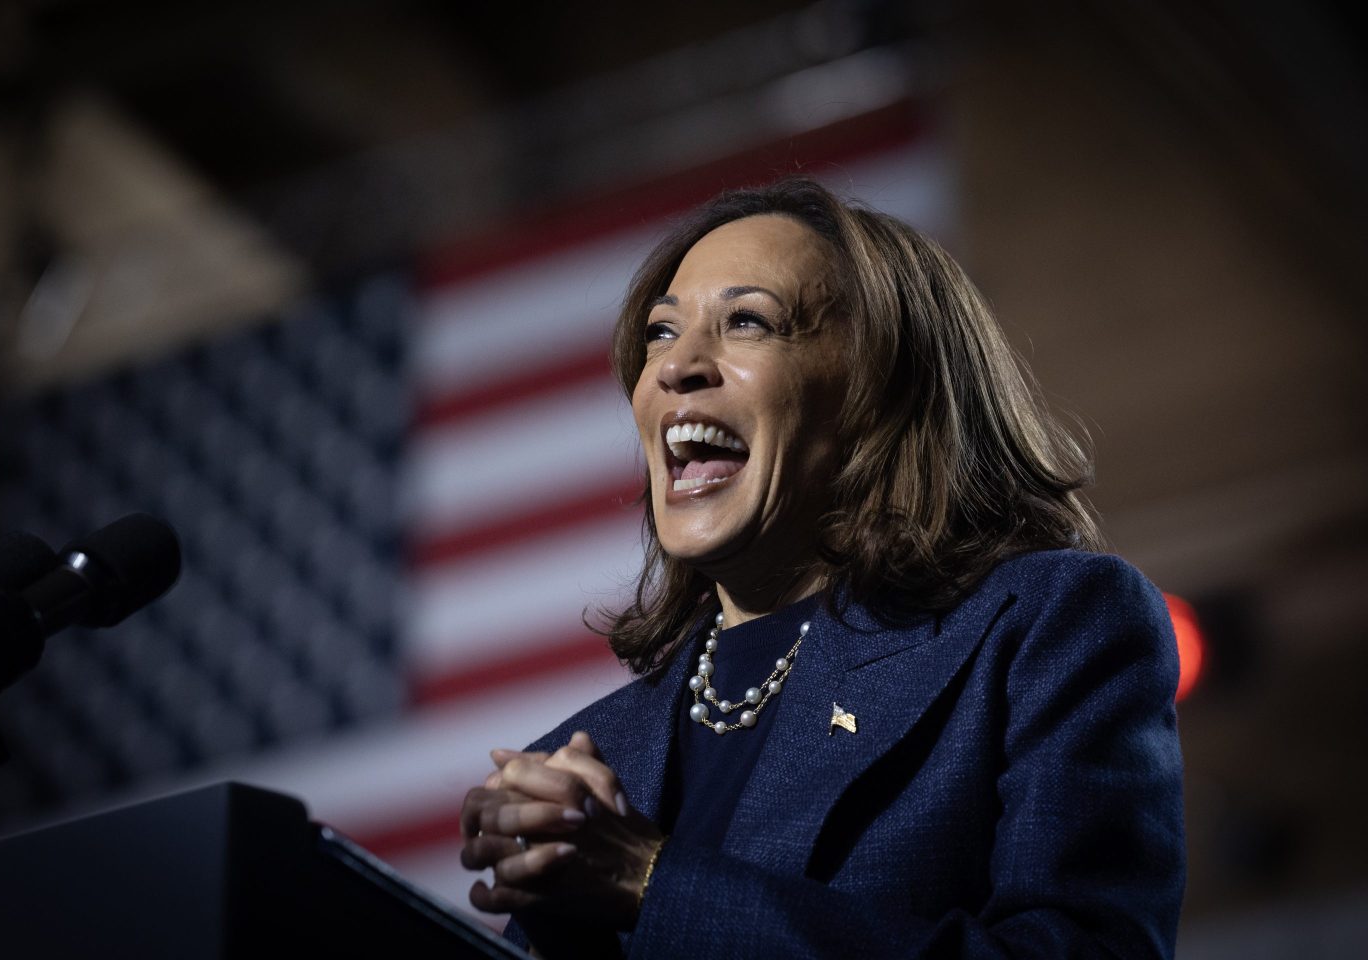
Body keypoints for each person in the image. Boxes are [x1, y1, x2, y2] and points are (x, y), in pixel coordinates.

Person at [458, 177, 1185, 958]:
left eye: (748, 322)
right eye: (662, 334)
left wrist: (651, 882)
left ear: (885, 393)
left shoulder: (1046, 627)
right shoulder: (588, 759)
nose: (676, 368)